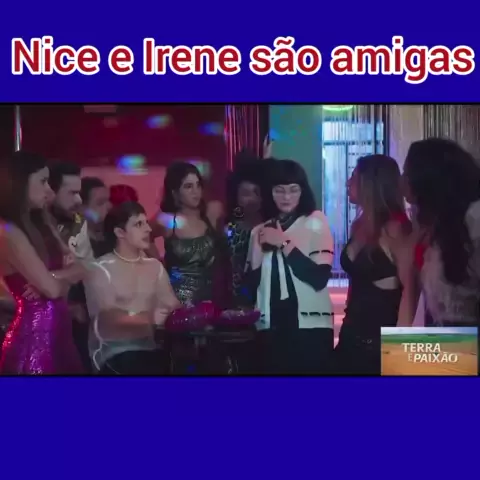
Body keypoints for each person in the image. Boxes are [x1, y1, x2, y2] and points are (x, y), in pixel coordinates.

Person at [0, 151, 86, 374]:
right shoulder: (8, 231)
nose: (49, 190)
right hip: (34, 342)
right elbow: (53, 289)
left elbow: (80, 269)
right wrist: (58, 280)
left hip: (60, 333)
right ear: (20, 183)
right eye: (43, 181)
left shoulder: (42, 222)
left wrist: (55, 277)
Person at [246, 159, 334, 374]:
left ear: (303, 191)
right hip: (269, 326)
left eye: (294, 190)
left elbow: (318, 277)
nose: (286, 197)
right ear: (269, 192)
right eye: (279, 190)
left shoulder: (315, 221)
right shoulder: (258, 231)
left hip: (310, 328)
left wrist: (284, 243)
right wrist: (257, 254)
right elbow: (250, 288)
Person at [335, 154, 411, 375]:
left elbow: (410, 293)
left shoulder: (396, 229)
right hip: (351, 333)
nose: (347, 183)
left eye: (353, 177)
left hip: (379, 342)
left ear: (370, 184)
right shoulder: (359, 224)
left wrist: (401, 350)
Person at [84, 201, 180, 375]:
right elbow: (107, 318)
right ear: (120, 232)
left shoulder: (155, 267)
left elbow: (172, 306)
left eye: (147, 223)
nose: (148, 229)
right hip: (113, 354)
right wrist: (149, 318)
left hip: (149, 351)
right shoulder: (100, 269)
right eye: (138, 224)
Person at [400, 138, 480, 327]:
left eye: (407, 173)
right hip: (442, 336)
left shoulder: (473, 219)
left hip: (462, 337)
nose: (401, 180)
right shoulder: (428, 225)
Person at [152, 162, 224, 305]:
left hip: (211, 301)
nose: (195, 191)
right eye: (188, 186)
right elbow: (144, 236)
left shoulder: (211, 214)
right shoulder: (167, 220)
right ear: (175, 192)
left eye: (198, 185)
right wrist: (158, 265)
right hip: (177, 303)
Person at [226, 154, 268, 306]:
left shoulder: (272, 228)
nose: (252, 199)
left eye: (256, 193)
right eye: (245, 194)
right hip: (237, 301)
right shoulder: (230, 230)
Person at [80, 177, 112, 258]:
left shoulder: (114, 237)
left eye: (108, 201)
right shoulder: (76, 243)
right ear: (82, 208)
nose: (109, 206)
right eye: (100, 203)